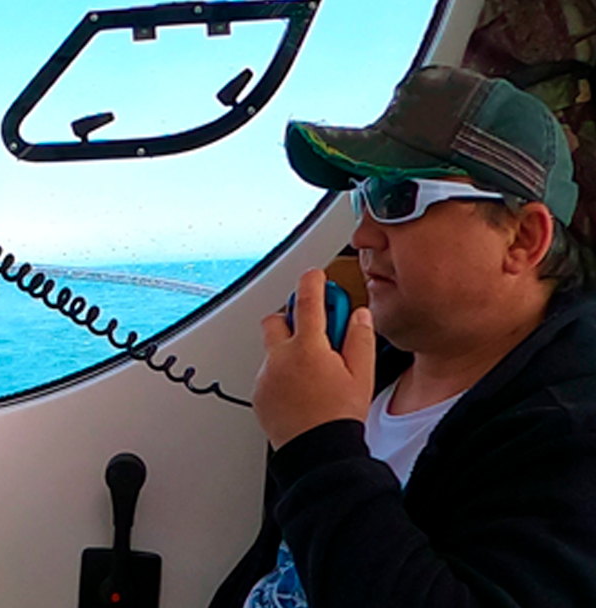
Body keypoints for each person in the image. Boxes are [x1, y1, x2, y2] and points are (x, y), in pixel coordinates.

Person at [210, 64, 596, 608]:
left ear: (522, 238)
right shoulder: (361, 379)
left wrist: (317, 445)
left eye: (397, 198)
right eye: (363, 197)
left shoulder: (573, 430)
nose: (362, 235)